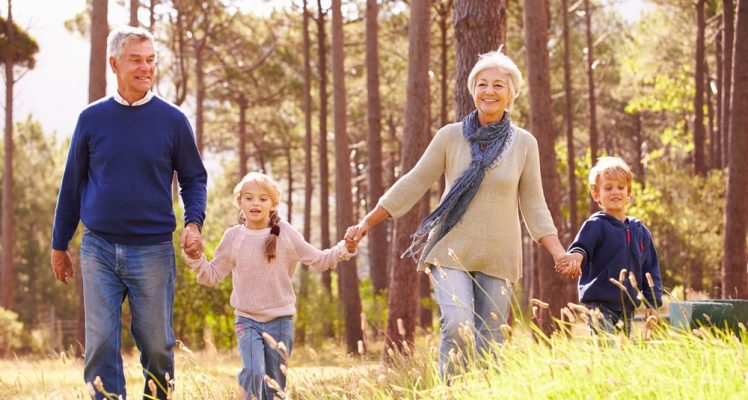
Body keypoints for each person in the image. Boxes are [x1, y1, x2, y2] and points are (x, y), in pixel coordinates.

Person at [346, 49, 567, 378]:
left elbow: (534, 203)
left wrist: (558, 252)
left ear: (512, 94)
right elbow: (415, 181)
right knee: (457, 322)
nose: (489, 91)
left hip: (499, 254)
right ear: (472, 90)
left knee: (491, 341)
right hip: (451, 249)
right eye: (481, 84)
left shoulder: (524, 144)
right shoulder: (451, 136)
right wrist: (367, 221)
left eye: (498, 85)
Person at [50, 26, 207, 400]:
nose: (145, 67)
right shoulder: (91, 119)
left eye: (151, 59)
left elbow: (194, 178)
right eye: (136, 59)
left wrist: (194, 223)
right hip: (98, 248)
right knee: (101, 344)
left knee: (156, 345)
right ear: (114, 63)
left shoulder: (172, 120)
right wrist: (60, 244)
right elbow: (72, 185)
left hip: (152, 250)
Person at [182, 172, 357, 400]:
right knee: (253, 372)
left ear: (273, 204)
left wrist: (346, 247)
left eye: (263, 199)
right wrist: (195, 257)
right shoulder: (233, 237)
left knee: (274, 385)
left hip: (281, 322)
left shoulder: (285, 234)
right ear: (239, 202)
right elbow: (211, 276)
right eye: (249, 198)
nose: (256, 203)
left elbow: (319, 259)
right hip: (247, 320)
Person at [555, 156, 663, 335]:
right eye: (608, 188)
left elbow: (650, 270)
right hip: (599, 306)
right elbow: (581, 248)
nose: (615, 192)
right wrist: (574, 259)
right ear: (596, 194)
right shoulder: (596, 224)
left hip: (627, 307)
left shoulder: (640, 231)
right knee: (606, 348)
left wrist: (652, 303)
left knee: (620, 354)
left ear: (629, 193)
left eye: (621, 187)